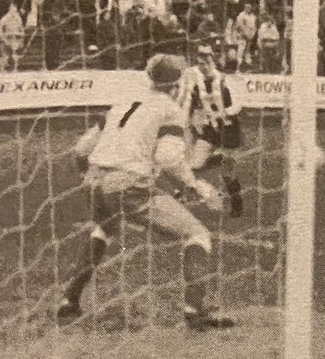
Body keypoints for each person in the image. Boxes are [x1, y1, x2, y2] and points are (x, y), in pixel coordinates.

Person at [60, 54, 234, 330]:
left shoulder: (124, 102)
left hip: (94, 180)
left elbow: (81, 149)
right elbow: (168, 159)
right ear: (177, 85)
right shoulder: (169, 110)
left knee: (104, 229)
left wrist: (89, 177)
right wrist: (198, 186)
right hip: (127, 184)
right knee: (197, 234)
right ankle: (195, 309)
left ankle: (69, 300)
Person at [179, 44, 245, 218]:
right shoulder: (196, 84)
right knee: (195, 164)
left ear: (213, 61)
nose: (204, 66)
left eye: (207, 61)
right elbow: (189, 108)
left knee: (227, 173)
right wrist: (187, 125)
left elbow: (238, 106)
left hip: (229, 128)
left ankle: (237, 204)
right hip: (210, 128)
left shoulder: (225, 80)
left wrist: (223, 112)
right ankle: (217, 158)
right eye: (201, 63)